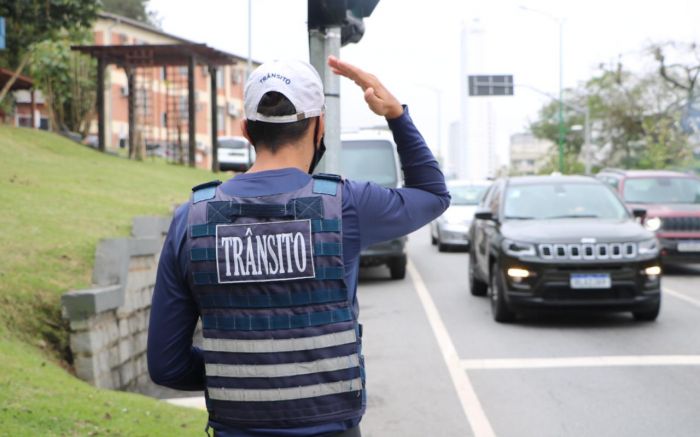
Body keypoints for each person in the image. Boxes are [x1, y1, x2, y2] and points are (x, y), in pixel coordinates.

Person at [147, 56, 450, 437]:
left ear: (246, 129)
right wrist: (396, 115)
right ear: (319, 125)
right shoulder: (344, 205)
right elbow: (432, 194)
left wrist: (242, 376)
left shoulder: (190, 220)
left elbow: (166, 365)